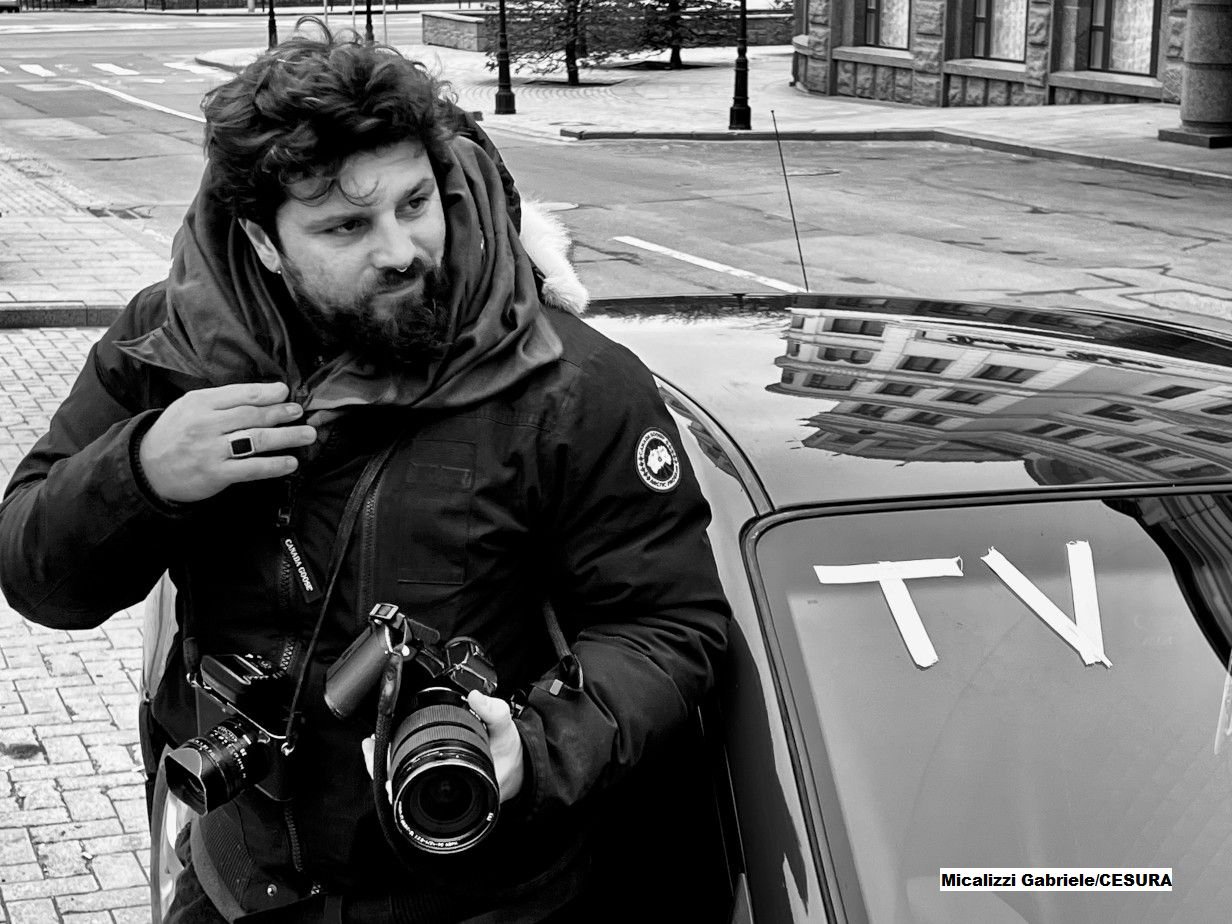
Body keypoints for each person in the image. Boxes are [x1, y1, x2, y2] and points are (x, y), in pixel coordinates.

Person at [0, 21, 730, 924]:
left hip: (488, 898)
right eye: (345, 225)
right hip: (244, 883)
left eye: (416, 203)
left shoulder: (568, 381)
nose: (399, 249)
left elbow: (668, 623)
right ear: (264, 242)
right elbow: (38, 575)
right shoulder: (172, 349)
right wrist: (143, 470)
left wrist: (538, 746)